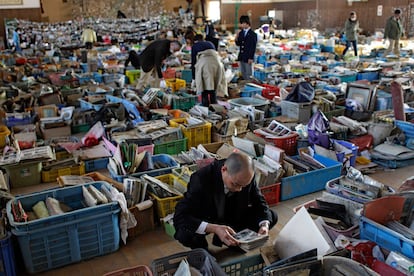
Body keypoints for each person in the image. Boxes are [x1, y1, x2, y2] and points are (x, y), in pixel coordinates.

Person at [173, 152, 277, 250]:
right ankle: (201, 250)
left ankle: (237, 241)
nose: (239, 189)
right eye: (235, 184)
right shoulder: (201, 179)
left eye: (243, 186)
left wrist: (264, 225)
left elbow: (259, 201)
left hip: (233, 215)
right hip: (209, 217)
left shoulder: (246, 176)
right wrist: (214, 228)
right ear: (224, 169)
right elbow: (181, 215)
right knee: (184, 232)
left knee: (270, 216)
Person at [193, 35, 227, 106]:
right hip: (217, 63)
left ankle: (206, 106)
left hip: (204, 65)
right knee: (213, 85)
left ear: (195, 41)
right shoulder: (210, 43)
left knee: (204, 87)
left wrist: (194, 78)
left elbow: (193, 62)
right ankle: (214, 105)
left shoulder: (195, 45)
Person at [235, 15, 257, 81]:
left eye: (243, 23)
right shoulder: (241, 33)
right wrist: (236, 38)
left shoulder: (253, 34)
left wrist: (251, 57)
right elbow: (238, 44)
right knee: (243, 72)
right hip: (242, 55)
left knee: (248, 73)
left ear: (247, 23)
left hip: (248, 56)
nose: (242, 25)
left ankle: (249, 85)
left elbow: (253, 47)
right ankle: (244, 85)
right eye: (241, 23)